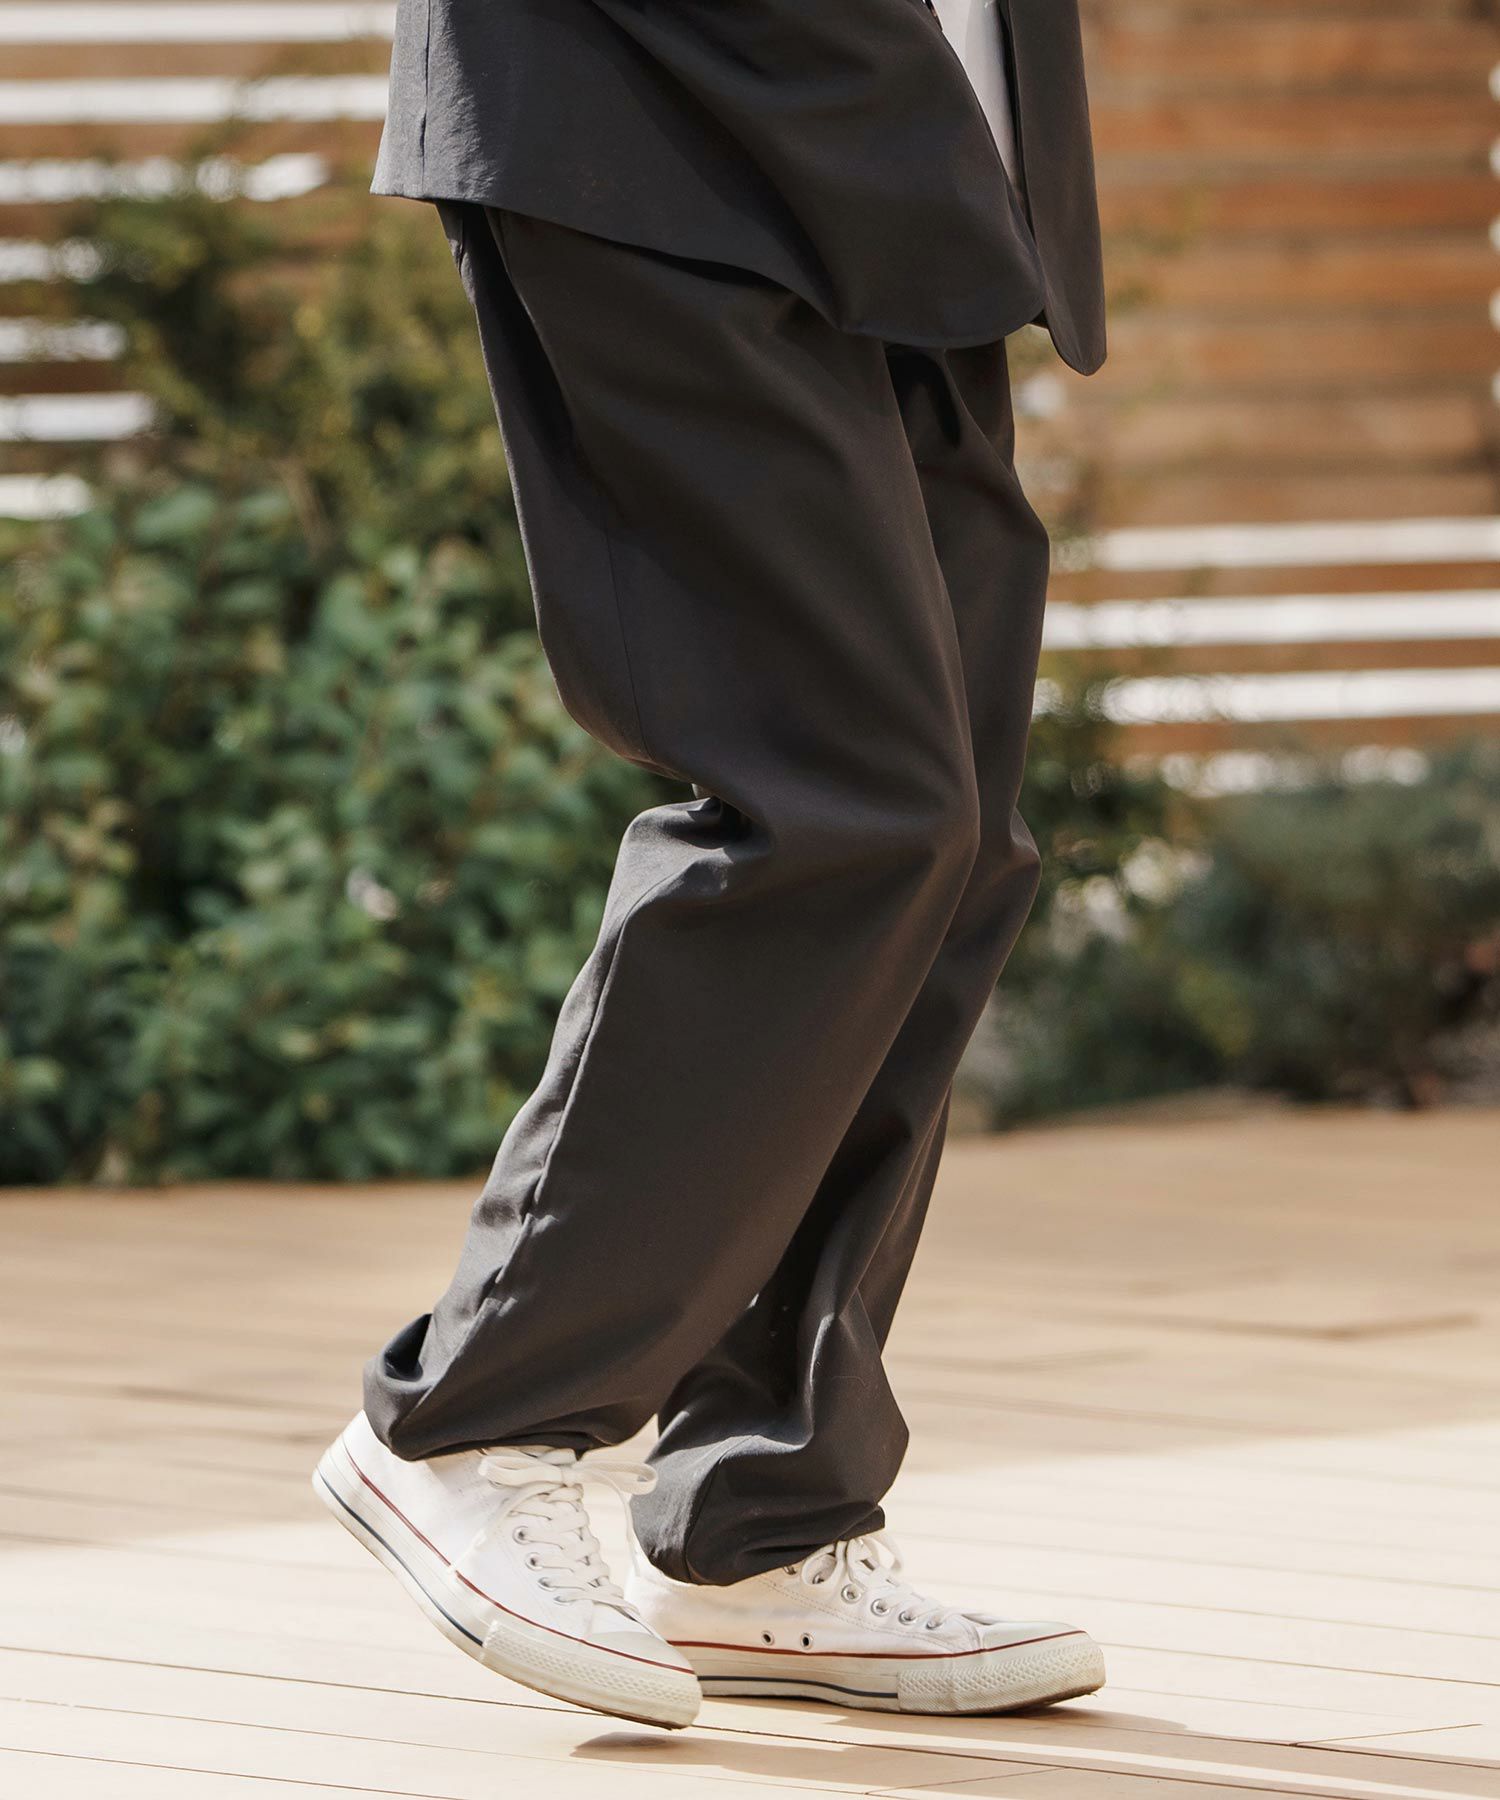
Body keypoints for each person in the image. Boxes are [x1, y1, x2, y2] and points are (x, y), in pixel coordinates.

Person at [315, 0, 1107, 1732]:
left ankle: (761, 1514)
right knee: (842, 798)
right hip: (662, 103)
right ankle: (475, 1419)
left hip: (913, 143)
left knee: (954, 836)